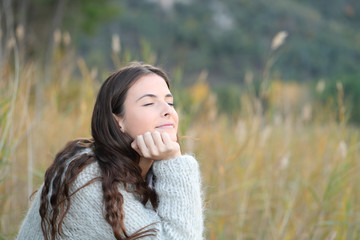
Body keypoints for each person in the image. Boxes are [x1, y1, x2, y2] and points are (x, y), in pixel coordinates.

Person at [17, 62, 204, 240]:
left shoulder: (152, 174)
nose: (168, 111)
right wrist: (174, 163)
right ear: (117, 121)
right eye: (149, 103)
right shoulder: (89, 179)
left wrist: (170, 162)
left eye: (170, 103)